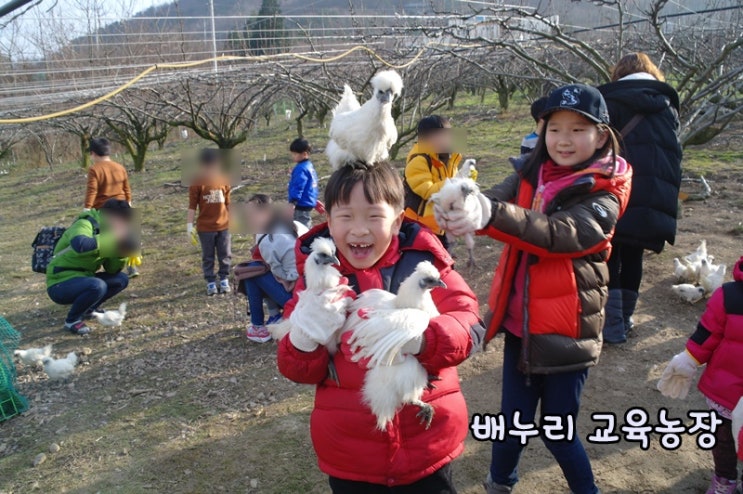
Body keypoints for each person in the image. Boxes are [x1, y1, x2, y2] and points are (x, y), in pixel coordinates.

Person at [435, 84, 632, 494]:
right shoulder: (531, 171)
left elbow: (563, 234)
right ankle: (500, 483)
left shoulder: (607, 188)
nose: (563, 139)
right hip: (521, 325)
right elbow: (492, 200)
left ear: (601, 136)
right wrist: (463, 203)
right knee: (512, 423)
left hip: (567, 334)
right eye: (555, 128)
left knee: (558, 430)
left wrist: (490, 214)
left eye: (578, 129)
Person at [277, 162, 483, 493]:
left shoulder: (425, 265)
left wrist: (423, 339)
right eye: (345, 217)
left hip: (427, 444)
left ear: (398, 219)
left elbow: (469, 323)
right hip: (352, 454)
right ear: (328, 223)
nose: (359, 230)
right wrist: (303, 338)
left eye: (374, 216)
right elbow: (296, 368)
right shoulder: (317, 288)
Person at [598, 52, 683, 344]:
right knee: (634, 255)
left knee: (611, 254)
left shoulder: (608, 102)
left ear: (619, 73)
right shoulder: (667, 106)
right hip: (654, 192)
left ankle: (611, 326)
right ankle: (625, 320)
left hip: (619, 186)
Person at [657, 255, 743, 494]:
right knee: (723, 438)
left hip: (724, 386)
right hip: (727, 389)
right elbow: (707, 334)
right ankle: (724, 480)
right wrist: (689, 359)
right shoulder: (729, 295)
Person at [46, 199, 137, 335]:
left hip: (83, 279)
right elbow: (81, 245)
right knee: (97, 285)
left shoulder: (108, 233)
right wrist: (115, 238)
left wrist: (122, 252)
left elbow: (112, 270)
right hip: (59, 283)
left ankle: (89, 309)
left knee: (121, 279)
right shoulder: (84, 223)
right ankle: (72, 320)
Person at [243, 196, 308, 343]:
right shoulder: (291, 223)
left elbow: (279, 272)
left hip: (299, 300)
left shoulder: (267, 239)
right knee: (259, 271)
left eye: (252, 215)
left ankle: (258, 326)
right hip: (313, 289)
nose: (249, 220)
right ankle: (274, 316)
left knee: (251, 272)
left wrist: (285, 281)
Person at [83, 137, 139, 277]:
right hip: (122, 204)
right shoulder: (119, 167)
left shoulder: (94, 169)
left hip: (105, 208)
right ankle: (133, 267)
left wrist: (87, 208)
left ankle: (113, 269)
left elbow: (92, 190)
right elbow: (126, 188)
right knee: (128, 236)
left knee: (109, 239)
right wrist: (129, 202)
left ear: (93, 153)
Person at [403, 115, 462, 248]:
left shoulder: (448, 160)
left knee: (446, 264)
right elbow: (428, 192)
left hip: (443, 225)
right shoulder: (419, 160)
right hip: (420, 227)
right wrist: (454, 183)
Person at [187, 148, 232, 296]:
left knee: (224, 253)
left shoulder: (223, 179)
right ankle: (210, 281)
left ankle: (224, 278)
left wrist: (232, 218)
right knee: (208, 255)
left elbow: (227, 202)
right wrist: (189, 225)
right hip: (205, 228)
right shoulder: (197, 182)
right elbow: (192, 205)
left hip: (223, 225)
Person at [287, 138, 319, 229]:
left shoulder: (301, 168)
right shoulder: (309, 166)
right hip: (308, 201)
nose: (293, 156)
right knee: (305, 223)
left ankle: (305, 242)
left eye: (295, 154)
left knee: (301, 227)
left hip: (301, 204)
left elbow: (298, 186)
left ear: (304, 154)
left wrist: (293, 202)